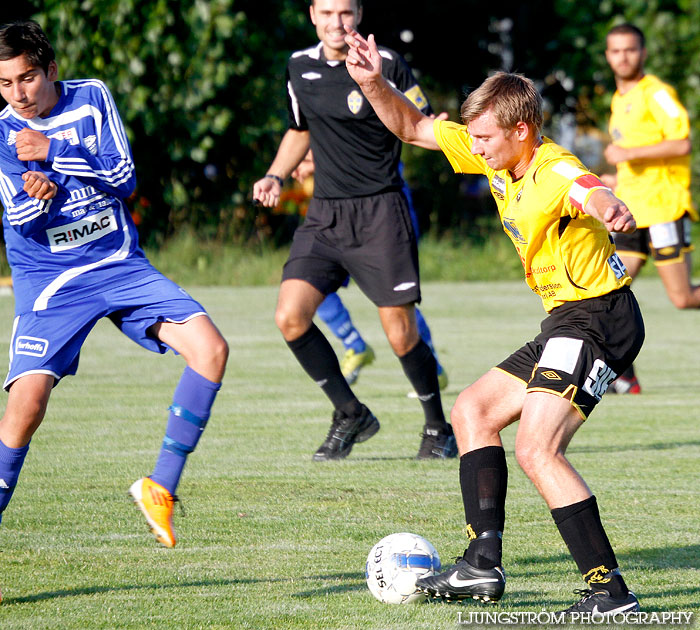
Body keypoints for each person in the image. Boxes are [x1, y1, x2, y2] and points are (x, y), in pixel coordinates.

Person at [344, 28, 644, 615]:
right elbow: (413, 127)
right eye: (473, 136)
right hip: (567, 321)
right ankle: (482, 564)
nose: (475, 148)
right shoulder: (497, 158)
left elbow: (590, 189)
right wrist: (373, 82)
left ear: (521, 132)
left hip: (600, 319)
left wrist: (611, 207)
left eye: (484, 138)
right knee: (471, 411)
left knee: (538, 449)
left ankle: (609, 592)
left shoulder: (552, 168)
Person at [0, 20, 229, 563]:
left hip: (119, 264)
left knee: (212, 350)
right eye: (5, 84)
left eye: (27, 78)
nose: (18, 94)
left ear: (50, 70)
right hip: (53, 281)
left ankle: (161, 488)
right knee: (25, 407)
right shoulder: (2, 132)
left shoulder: (93, 97)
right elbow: (21, 215)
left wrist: (54, 153)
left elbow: (124, 176)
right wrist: (44, 191)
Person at [253, 0, 457, 461]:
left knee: (401, 334)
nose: (336, 23)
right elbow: (299, 129)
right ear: (312, 15)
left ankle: (438, 428)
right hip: (324, 214)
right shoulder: (298, 66)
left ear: (359, 14)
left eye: (344, 13)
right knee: (290, 316)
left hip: (381, 212)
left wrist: (439, 132)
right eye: (326, 13)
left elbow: (419, 123)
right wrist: (275, 175)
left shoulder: (387, 63)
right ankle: (350, 413)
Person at [291, 150, 448, 392]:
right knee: (308, 284)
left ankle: (432, 367)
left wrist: (316, 161)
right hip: (339, 218)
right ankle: (354, 344)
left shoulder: (375, 115)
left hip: (385, 217)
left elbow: (368, 155)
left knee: (395, 304)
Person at [602, 23, 697, 394]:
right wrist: (616, 179)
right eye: (616, 51)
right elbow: (633, 161)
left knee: (682, 297)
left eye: (630, 50)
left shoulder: (656, 93)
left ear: (642, 53)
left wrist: (629, 154)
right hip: (632, 212)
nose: (623, 57)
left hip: (663, 208)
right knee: (608, 292)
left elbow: (682, 144)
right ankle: (623, 375)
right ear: (608, 56)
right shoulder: (617, 99)